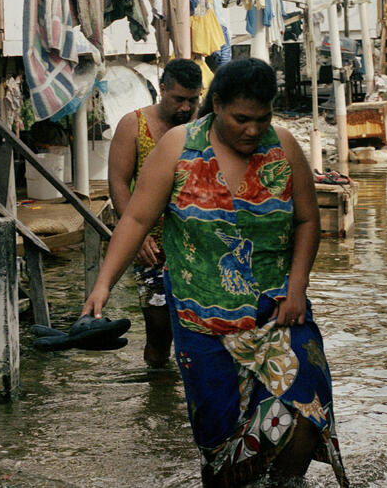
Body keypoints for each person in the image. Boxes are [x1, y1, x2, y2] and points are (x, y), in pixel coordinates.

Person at [83, 59, 349, 487]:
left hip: (279, 312)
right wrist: (102, 285)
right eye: (241, 119)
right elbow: (134, 220)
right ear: (217, 105)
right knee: (221, 444)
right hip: (200, 321)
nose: (251, 130)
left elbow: (307, 221)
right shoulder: (177, 147)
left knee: (304, 410)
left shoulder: (283, 147)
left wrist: (298, 287)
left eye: (261, 120)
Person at [107, 58, 202, 367]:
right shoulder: (134, 125)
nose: (186, 108)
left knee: (199, 330)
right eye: (179, 99)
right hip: (153, 244)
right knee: (159, 329)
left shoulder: (204, 126)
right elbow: (119, 183)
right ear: (162, 90)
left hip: (197, 244)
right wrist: (139, 236)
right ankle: (158, 398)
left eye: (193, 100)